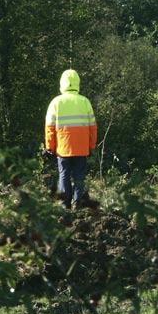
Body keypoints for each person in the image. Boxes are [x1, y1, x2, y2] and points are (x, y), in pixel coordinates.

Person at [45, 69, 97, 209]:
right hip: (81, 147)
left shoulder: (56, 102)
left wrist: (50, 146)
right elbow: (93, 127)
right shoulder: (85, 102)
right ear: (77, 83)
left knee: (64, 175)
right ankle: (77, 203)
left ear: (62, 83)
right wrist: (91, 146)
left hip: (63, 148)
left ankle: (64, 203)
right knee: (79, 176)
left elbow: (50, 128)